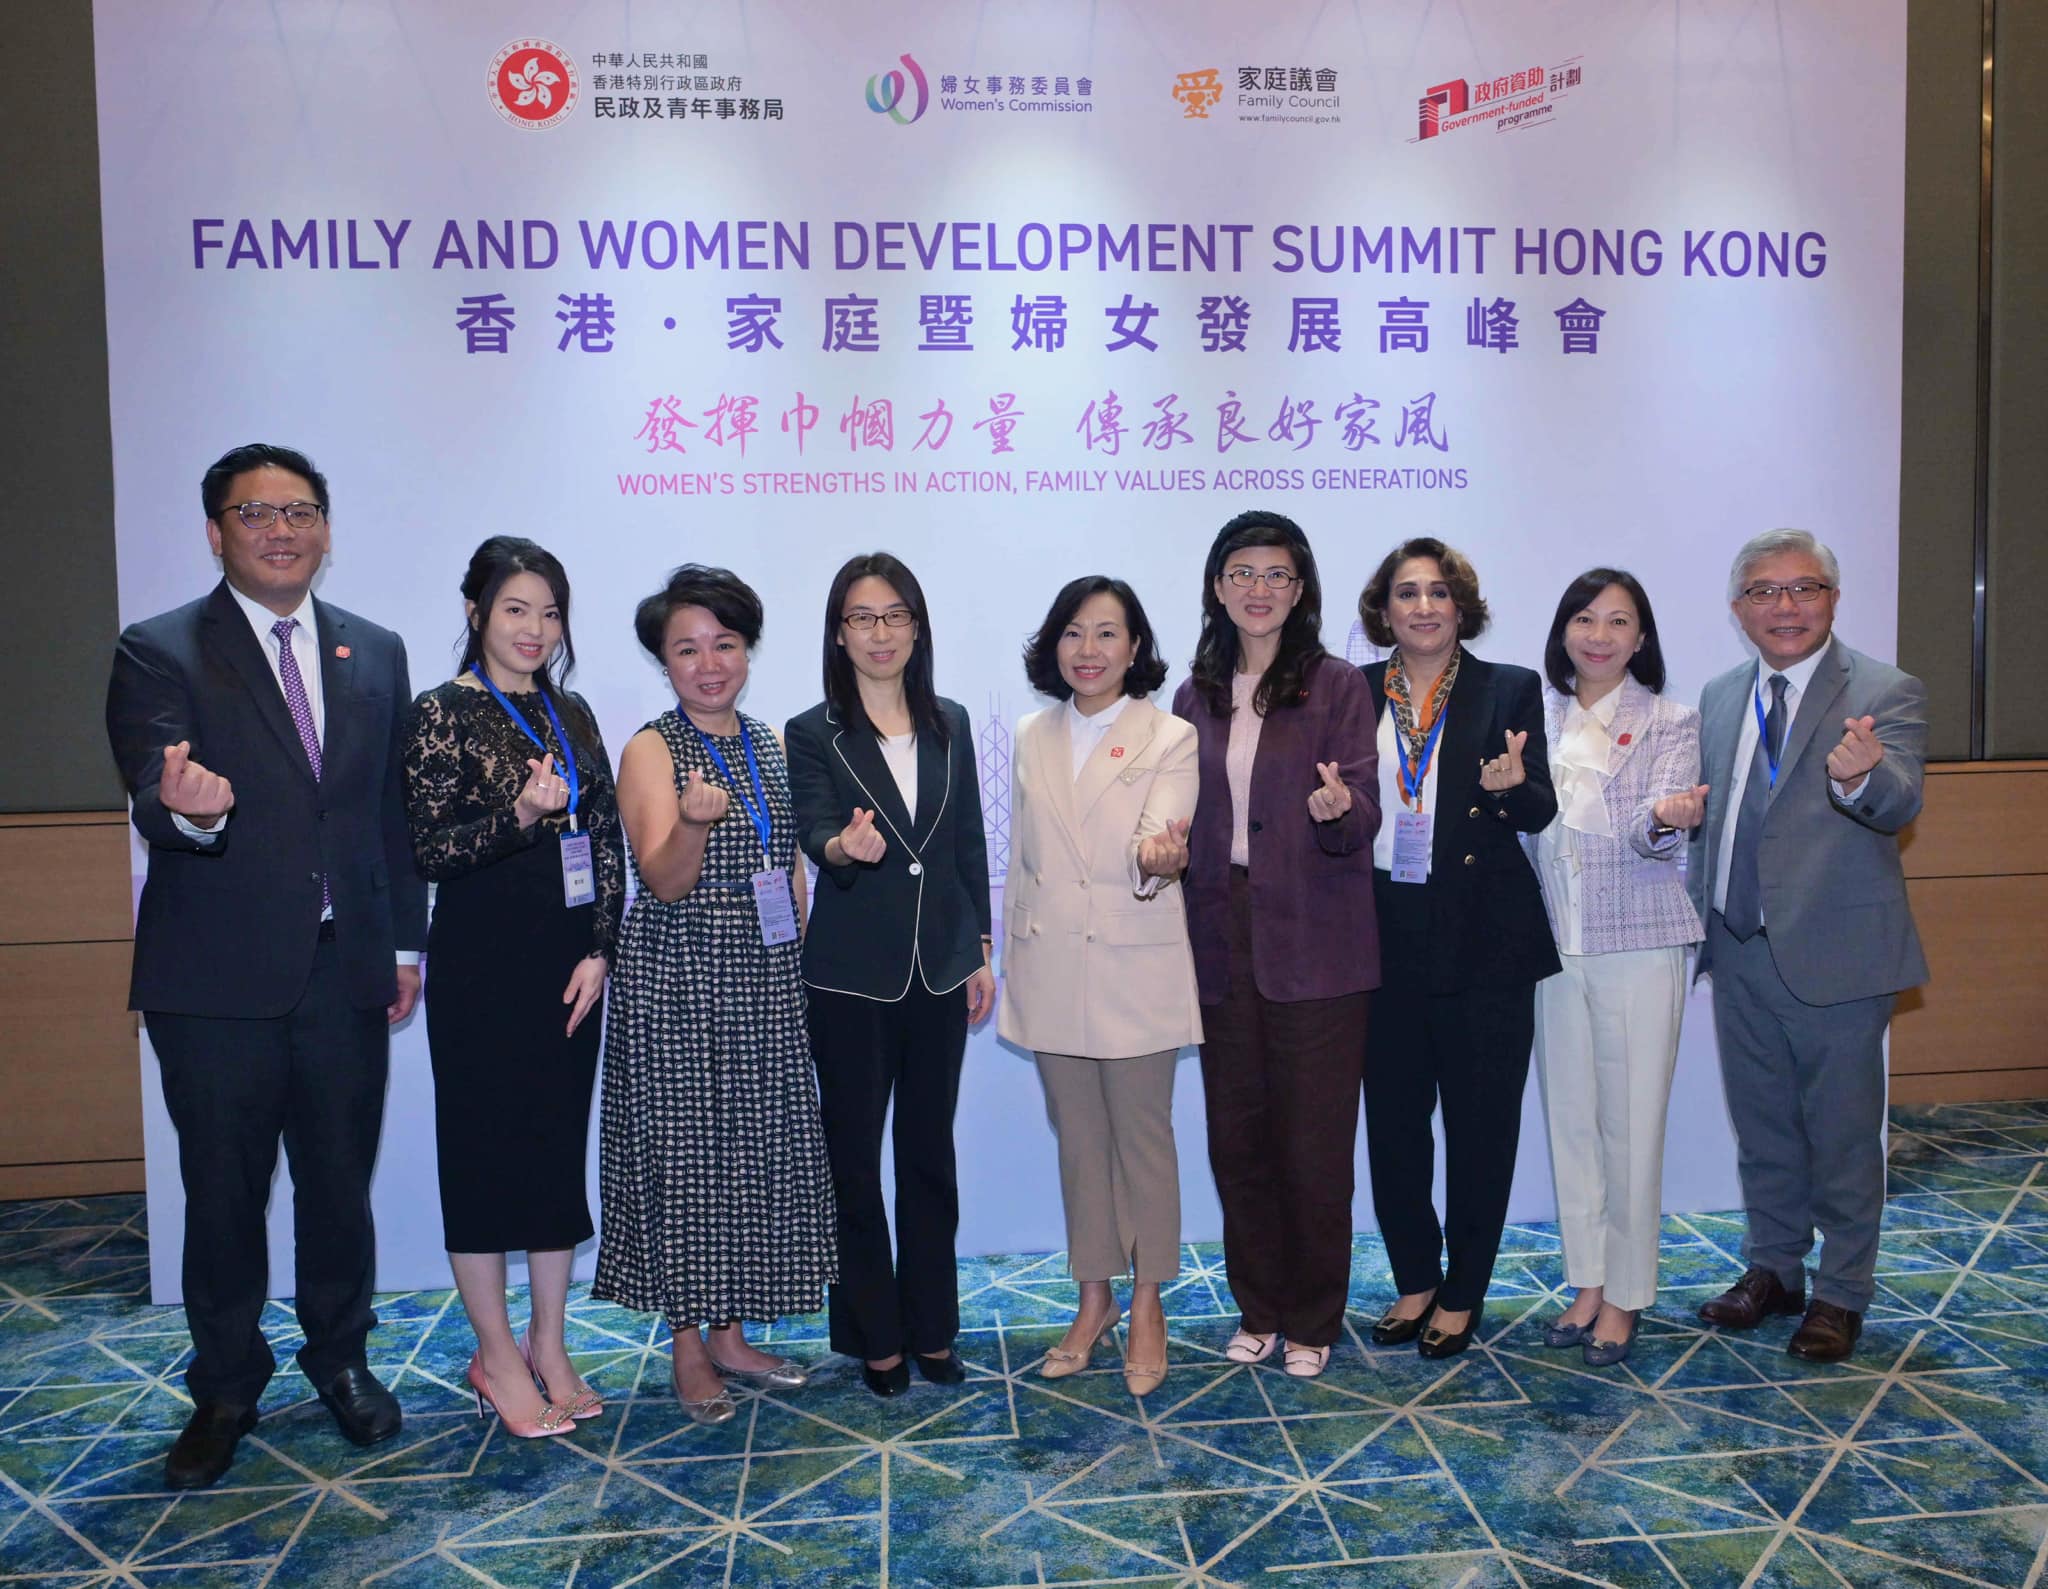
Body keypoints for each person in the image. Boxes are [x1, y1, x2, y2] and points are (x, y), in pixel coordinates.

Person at [104, 443, 428, 1489]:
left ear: (326, 529)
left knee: (338, 1186)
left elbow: (388, 813)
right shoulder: (160, 649)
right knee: (222, 1192)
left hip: (346, 968)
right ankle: (226, 1385)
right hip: (215, 981)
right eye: (256, 513)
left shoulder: (374, 649)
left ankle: (340, 1360)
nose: (280, 530)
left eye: (299, 511)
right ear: (216, 532)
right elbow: (156, 788)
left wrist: (404, 943)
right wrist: (188, 811)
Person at [592, 565, 835, 1424]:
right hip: (680, 977)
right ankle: (689, 1344)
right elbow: (661, 880)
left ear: (747, 651)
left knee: (750, 1153)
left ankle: (732, 1334)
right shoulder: (651, 749)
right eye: (687, 649)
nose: (708, 664)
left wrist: (797, 958)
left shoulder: (769, 742)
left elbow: (788, 866)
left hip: (764, 976)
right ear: (664, 660)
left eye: (724, 644)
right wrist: (693, 822)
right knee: (687, 1159)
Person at [1677, 529, 1927, 1363]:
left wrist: (1862, 774)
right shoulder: (1720, 695)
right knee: (1763, 1127)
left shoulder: (1885, 689)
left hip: (1838, 955)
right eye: (1764, 591)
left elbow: (1900, 799)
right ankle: (1776, 1268)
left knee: (1844, 1137)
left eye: (1804, 588)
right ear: (1738, 607)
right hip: (1738, 943)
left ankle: (1842, 1293)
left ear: (1833, 598)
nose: (1785, 606)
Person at [402, 537, 625, 1435]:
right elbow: (428, 848)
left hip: (569, 969)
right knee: (484, 1158)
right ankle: (494, 1356)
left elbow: (605, 838)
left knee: (552, 1155)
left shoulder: (572, 711)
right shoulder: (441, 711)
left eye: (550, 611)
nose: (535, 628)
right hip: (480, 969)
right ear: (476, 612)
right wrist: (520, 815)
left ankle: (549, 1343)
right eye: (516, 609)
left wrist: (601, 948)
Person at [1171, 510, 1379, 1380]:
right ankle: (1257, 1305)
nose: (1259, 589)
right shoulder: (1193, 695)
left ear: (1301, 591)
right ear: (1218, 588)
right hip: (1221, 935)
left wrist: (1339, 809)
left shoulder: (1337, 686)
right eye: (1243, 573)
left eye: (1277, 575)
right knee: (1239, 1138)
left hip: (1317, 940)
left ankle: (1312, 1317)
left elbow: (1362, 810)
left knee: (1315, 1144)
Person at [785, 552, 996, 1397]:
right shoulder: (813, 731)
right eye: (863, 618)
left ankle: (932, 1327)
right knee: (854, 1163)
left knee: (928, 1156)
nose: (881, 633)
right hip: (849, 980)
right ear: (839, 633)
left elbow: (968, 841)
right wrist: (843, 847)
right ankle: (875, 1335)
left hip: (940, 970)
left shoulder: (950, 720)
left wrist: (979, 947)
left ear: (917, 627)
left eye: (896, 615)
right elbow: (815, 829)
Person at [1357, 537, 1559, 1360]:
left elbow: (1539, 805)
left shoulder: (1509, 685)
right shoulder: (1353, 690)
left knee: (1482, 1126)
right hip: (1382, 931)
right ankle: (1415, 1277)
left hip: (1486, 936)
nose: (1424, 606)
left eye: (1439, 592)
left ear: (1461, 605)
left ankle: (1464, 1288)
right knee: (1395, 1124)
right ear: (1384, 610)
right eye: (1406, 592)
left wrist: (1511, 792)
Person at [998, 577, 1201, 1396]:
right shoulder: (1031, 732)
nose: (1089, 650)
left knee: (1143, 1140)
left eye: (1108, 633)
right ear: (1054, 644)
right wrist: (1004, 955)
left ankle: (1149, 1301)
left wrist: (1160, 859)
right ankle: (1095, 1298)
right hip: (1049, 965)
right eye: (1074, 632)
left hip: (1134, 962)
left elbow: (1160, 835)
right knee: (1079, 1142)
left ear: (1135, 646)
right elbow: (1022, 860)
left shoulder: (1170, 734)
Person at [1527, 570, 1704, 1367]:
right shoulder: (1535, 715)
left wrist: (1665, 819)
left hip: (1638, 942)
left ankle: (1627, 1293)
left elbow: (1650, 827)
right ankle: (1588, 1280)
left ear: (1641, 638)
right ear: (1564, 629)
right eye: (1585, 618)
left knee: (1631, 1127)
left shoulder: (1669, 719)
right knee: (1571, 1122)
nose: (1599, 635)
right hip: (1552, 945)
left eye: (1618, 621)